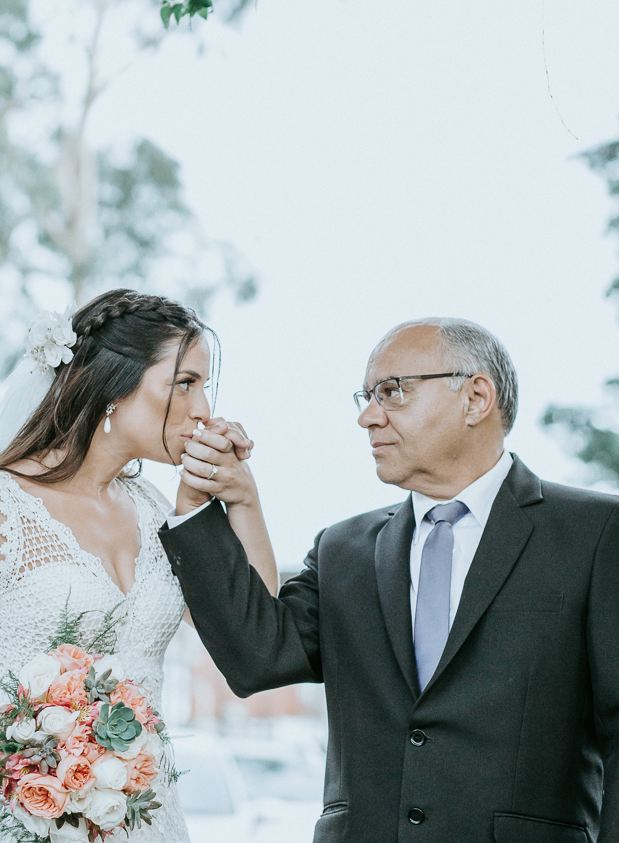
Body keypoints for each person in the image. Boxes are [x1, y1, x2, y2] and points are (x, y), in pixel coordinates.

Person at [161, 318, 619, 843]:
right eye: (367, 396)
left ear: (475, 399)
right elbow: (257, 658)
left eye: (392, 392)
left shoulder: (597, 534)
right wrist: (213, 506)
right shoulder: (342, 550)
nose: (368, 416)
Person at [0, 288, 274, 843]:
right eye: (185, 383)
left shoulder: (156, 511)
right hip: (39, 818)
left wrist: (241, 500)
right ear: (115, 387)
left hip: (152, 819)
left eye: (205, 386)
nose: (203, 409)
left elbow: (255, 629)